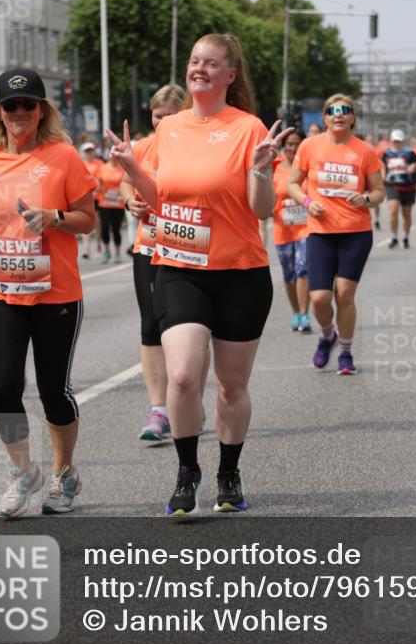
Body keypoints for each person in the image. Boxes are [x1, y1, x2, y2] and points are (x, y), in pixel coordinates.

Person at [107, 33, 290, 517]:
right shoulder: (170, 130)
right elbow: (158, 196)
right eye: (194, 61)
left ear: (231, 76)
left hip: (240, 271)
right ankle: (188, 471)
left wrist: (262, 170)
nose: (199, 69)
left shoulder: (249, 128)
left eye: (211, 63)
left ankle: (229, 472)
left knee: (231, 386)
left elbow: (263, 210)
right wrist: (132, 171)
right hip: (180, 267)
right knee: (184, 374)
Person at [0, 69, 97, 518]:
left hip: (55, 291)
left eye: (28, 105)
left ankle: (63, 474)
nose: (20, 113)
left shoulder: (64, 157)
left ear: (42, 110)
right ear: (0, 113)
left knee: (52, 391)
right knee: (2, 388)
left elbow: (87, 217)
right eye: (11, 106)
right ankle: (23, 472)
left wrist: (56, 216)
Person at [120, 84, 209, 443]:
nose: (164, 122)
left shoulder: (198, 145)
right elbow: (126, 184)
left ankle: (192, 402)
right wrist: (130, 203)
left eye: (171, 115)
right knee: (151, 327)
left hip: (190, 250)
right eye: (158, 117)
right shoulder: (143, 147)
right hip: (149, 248)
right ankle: (158, 409)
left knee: (194, 331)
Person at [288, 95, 385, 372]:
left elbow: (379, 192)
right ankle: (327, 334)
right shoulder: (310, 146)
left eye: (345, 111)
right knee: (319, 298)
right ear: (325, 117)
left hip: (355, 232)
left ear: (353, 117)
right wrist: (307, 202)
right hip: (320, 231)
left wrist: (365, 199)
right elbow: (294, 183)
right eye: (333, 111)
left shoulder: (365, 151)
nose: (339, 115)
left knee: (344, 294)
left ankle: (345, 351)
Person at [272, 129, 311, 333]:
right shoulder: (276, 167)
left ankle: (304, 314)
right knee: (289, 274)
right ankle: (296, 312)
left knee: (303, 268)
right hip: (283, 229)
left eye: (298, 144)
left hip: (307, 228)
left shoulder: (308, 167)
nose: (294, 148)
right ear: (284, 146)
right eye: (290, 144)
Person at [381, 129, 416, 249]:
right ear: (391, 141)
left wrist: (414, 166)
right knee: (393, 211)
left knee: (406, 214)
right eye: (395, 141)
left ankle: (406, 237)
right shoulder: (386, 154)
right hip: (392, 185)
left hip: (408, 186)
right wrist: (382, 176)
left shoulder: (409, 153)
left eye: (399, 141)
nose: (397, 143)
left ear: (403, 141)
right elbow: (381, 165)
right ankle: (394, 237)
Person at [97, 152, 126, 264]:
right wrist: (95, 189)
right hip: (105, 203)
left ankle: (118, 253)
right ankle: (106, 251)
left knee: (116, 229)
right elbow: (98, 183)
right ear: (110, 156)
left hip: (118, 204)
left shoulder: (123, 169)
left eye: (116, 156)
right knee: (104, 228)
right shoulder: (102, 168)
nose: (114, 158)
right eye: (112, 155)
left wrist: (121, 191)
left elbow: (127, 183)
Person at [80, 142, 103, 259]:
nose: (89, 153)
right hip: (85, 197)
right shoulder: (81, 164)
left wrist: (95, 188)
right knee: (85, 221)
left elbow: (100, 182)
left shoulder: (99, 164)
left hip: (96, 197)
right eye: (87, 151)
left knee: (97, 222)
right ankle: (86, 248)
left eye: (91, 151)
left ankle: (98, 244)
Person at [373, 132, 391, 229]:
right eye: (368, 140)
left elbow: (382, 163)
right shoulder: (361, 148)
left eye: (372, 140)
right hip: (364, 176)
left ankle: (376, 219)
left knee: (375, 201)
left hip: (375, 175)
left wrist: (383, 175)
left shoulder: (380, 149)